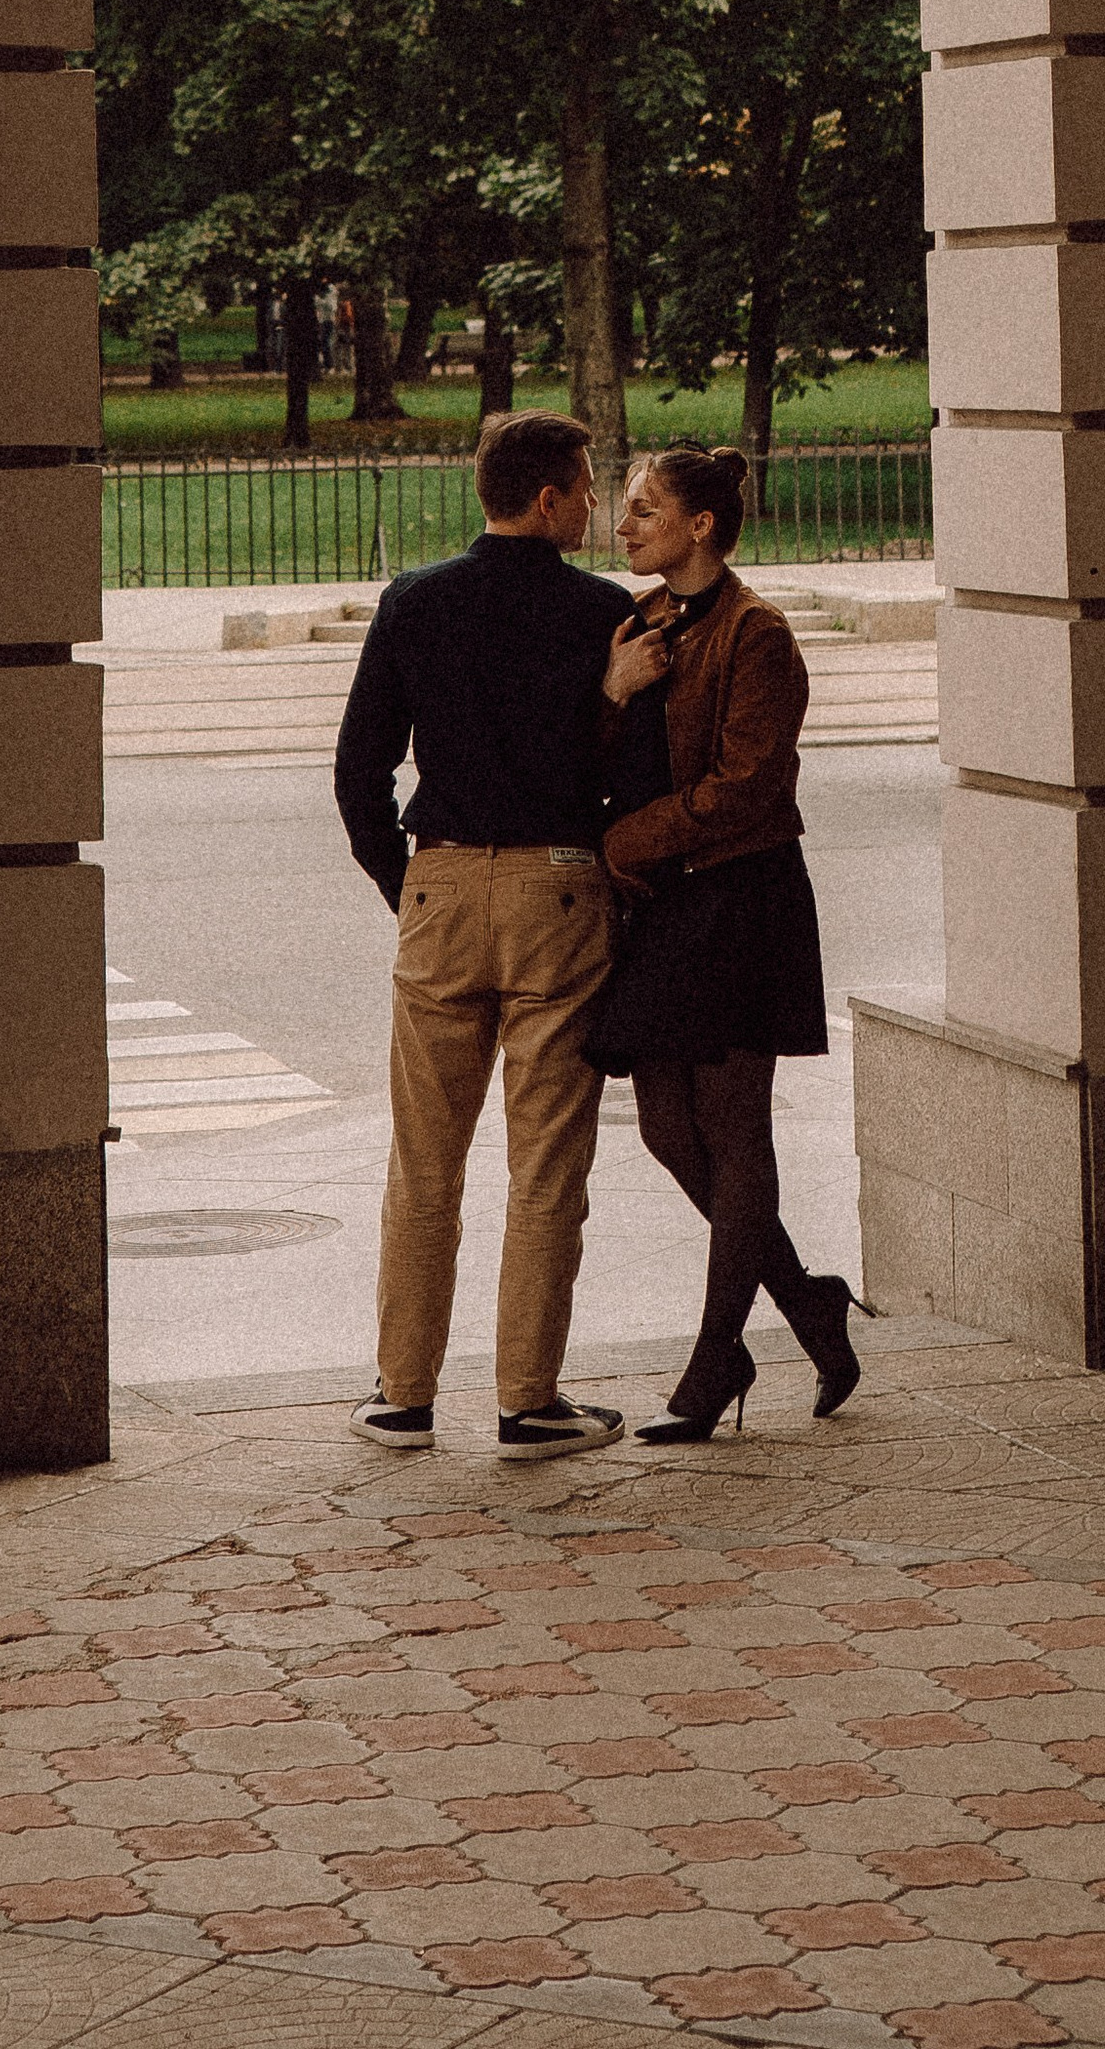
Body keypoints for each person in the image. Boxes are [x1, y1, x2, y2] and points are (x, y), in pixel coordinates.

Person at [333, 409, 631, 1457]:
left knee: (424, 1159)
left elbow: (359, 770)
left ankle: (402, 1396)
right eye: (586, 488)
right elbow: (627, 768)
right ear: (546, 500)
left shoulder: (414, 601)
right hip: (560, 885)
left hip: (442, 883)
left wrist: (409, 884)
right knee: (547, 1162)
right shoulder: (604, 613)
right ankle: (527, 1401)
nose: (594, 504)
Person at [590, 444, 861, 1443]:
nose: (624, 526)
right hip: (667, 903)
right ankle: (807, 1302)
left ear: (700, 525)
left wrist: (628, 841)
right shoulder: (640, 623)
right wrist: (612, 689)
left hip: (743, 896)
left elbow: (749, 786)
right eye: (626, 508)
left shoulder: (758, 634)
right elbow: (596, 761)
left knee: (736, 1126)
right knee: (667, 1127)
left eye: (644, 509)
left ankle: (717, 1356)